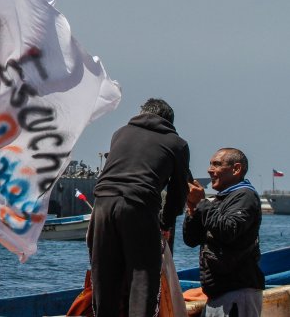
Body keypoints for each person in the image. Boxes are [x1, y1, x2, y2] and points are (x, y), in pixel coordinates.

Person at [87, 98, 191, 316]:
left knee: (104, 273)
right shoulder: (177, 143)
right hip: (138, 205)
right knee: (142, 275)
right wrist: (166, 221)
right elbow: (179, 191)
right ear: (169, 121)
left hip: (102, 204)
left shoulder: (120, 133)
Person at [184, 148, 264, 316]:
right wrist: (193, 208)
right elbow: (191, 239)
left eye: (217, 164)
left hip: (237, 292)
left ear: (236, 169)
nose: (209, 169)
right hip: (218, 294)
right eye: (210, 164)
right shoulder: (221, 200)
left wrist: (203, 203)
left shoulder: (245, 196)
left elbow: (228, 230)